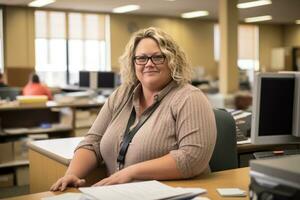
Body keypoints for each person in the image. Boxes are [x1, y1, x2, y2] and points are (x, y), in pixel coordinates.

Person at [51, 27, 217, 191]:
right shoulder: (122, 94)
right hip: (120, 193)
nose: (149, 64)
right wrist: (72, 174)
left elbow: (192, 158)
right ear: (133, 62)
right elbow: (92, 142)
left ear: (172, 60)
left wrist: (132, 172)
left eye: (158, 57)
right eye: (141, 58)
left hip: (172, 193)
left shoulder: (189, 98)